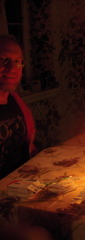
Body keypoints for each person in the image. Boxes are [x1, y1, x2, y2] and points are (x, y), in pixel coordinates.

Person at [0, 34, 37, 179]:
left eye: (18, 61)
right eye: (3, 60)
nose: (12, 68)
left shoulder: (17, 102)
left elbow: (27, 148)